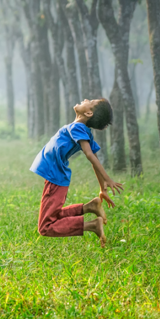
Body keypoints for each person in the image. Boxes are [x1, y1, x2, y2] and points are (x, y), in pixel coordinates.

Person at [30, 98, 124, 247]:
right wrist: (102, 189)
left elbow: (90, 154)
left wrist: (107, 179)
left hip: (55, 177)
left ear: (88, 112)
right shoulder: (81, 130)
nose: (86, 99)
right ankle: (90, 207)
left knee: (45, 227)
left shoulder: (79, 128)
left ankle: (92, 226)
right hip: (55, 176)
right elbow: (94, 157)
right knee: (53, 216)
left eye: (90, 101)